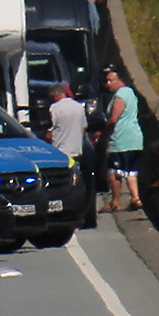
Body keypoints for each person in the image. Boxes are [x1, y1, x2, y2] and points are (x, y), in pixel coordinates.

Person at [44, 84, 94, 230]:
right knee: (77, 183)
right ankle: (80, 214)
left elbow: (49, 132)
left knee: (59, 185)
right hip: (76, 150)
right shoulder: (78, 106)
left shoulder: (55, 108)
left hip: (60, 153)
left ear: (54, 96)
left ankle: (59, 212)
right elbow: (84, 127)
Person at [102, 68, 143, 213]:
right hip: (135, 139)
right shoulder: (131, 93)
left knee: (114, 172)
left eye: (110, 80)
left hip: (121, 138)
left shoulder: (120, 95)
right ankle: (135, 198)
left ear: (119, 80)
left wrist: (103, 131)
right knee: (131, 171)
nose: (108, 84)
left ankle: (115, 202)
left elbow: (114, 119)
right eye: (106, 80)